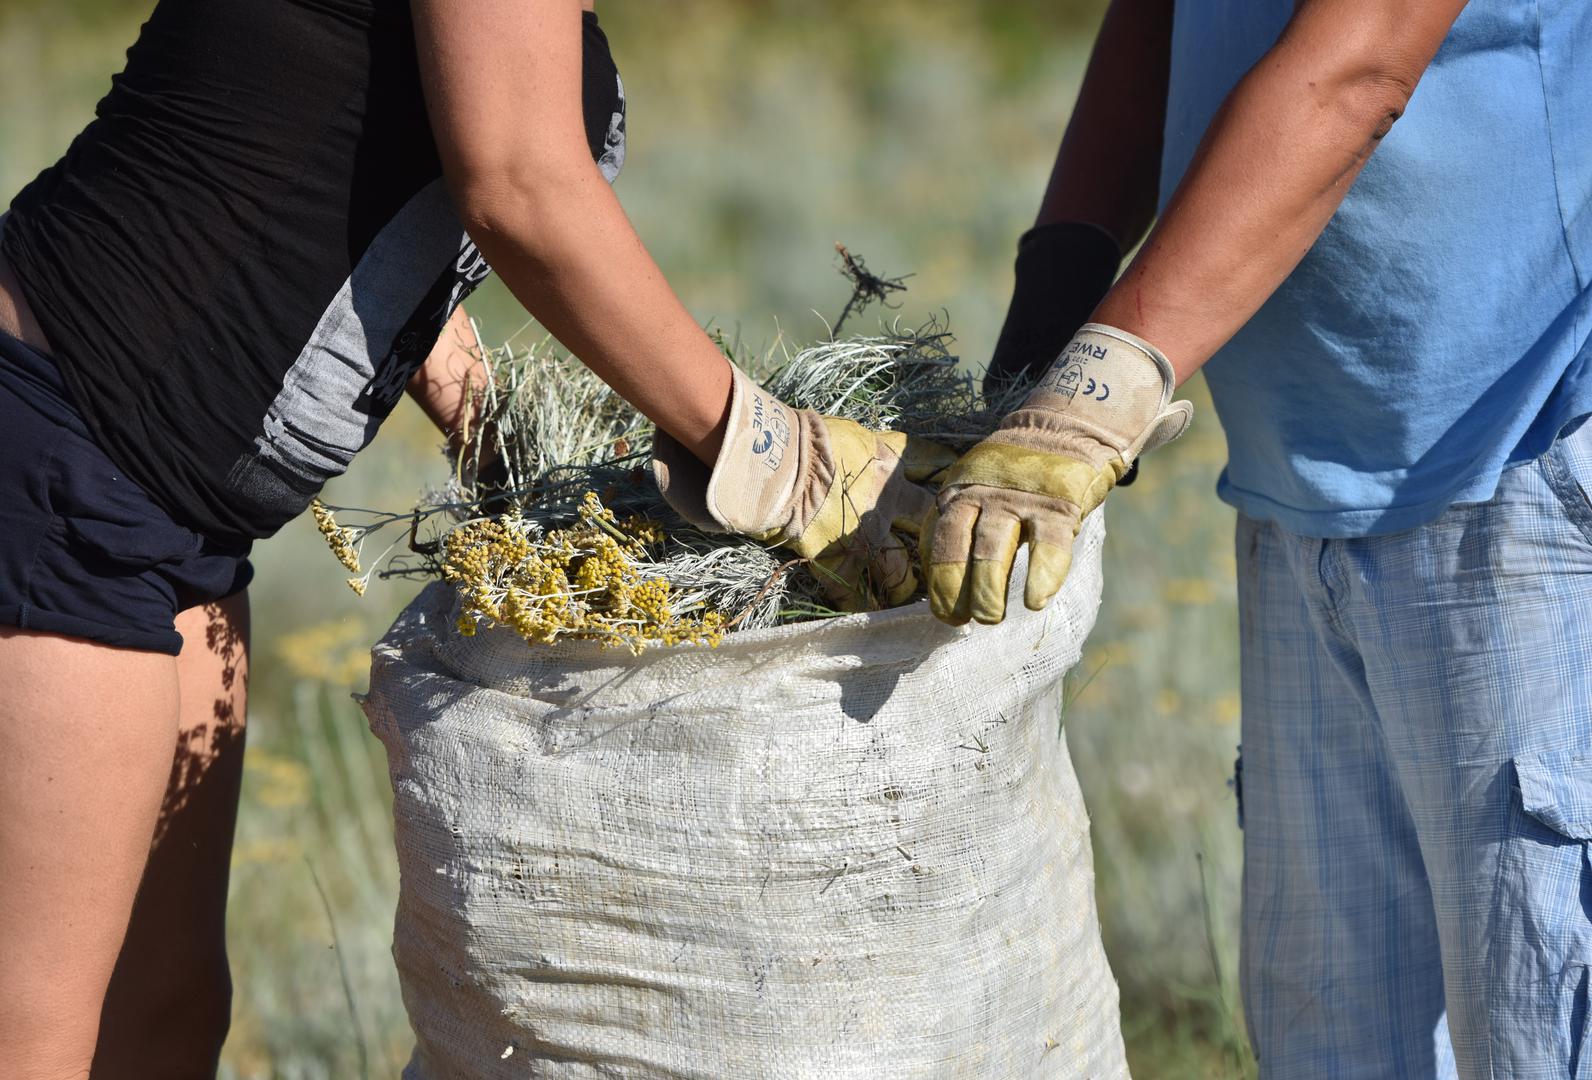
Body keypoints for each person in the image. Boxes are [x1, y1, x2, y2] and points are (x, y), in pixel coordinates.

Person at [0, 1, 948, 1074]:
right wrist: (784, 462)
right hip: (58, 457)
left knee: (162, 1018)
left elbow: (320, 161)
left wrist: (497, 425)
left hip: (168, 512)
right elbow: (518, 183)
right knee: (36, 1040)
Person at [930, 0, 1592, 1075]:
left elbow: (1358, 69)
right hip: (1296, 496)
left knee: (1542, 1036)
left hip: (1519, 475)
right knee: (1328, 1048)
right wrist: (1034, 349)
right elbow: (1158, 18)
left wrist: (1092, 396)